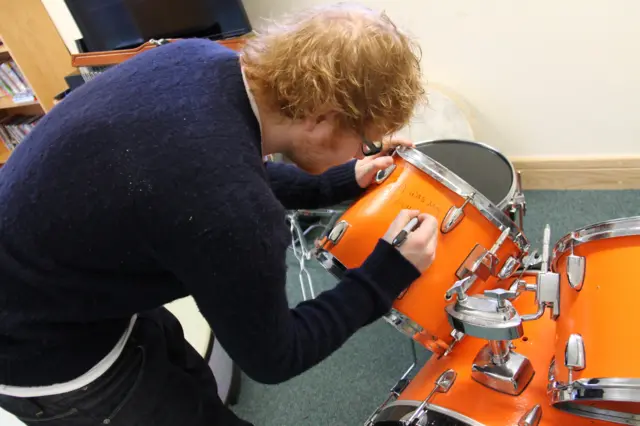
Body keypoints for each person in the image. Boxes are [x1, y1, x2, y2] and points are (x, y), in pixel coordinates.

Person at [0, 3, 438, 425]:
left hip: (66, 280)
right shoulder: (232, 212)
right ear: (322, 118)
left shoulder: (196, 58)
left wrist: (337, 180)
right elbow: (275, 356)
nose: (364, 152)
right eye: (365, 142)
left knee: (190, 386)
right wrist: (385, 275)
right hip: (40, 353)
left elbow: (216, 168)